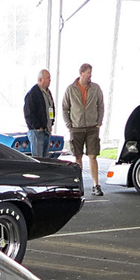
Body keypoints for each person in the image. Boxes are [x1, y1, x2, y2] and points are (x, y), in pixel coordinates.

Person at [61, 62, 105, 196]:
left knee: (93, 156)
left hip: (92, 127)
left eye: (91, 73)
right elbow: (65, 107)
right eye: (88, 73)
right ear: (81, 73)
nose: (90, 76)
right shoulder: (71, 89)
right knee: (78, 157)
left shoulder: (96, 88)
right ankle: (78, 184)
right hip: (76, 127)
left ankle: (95, 185)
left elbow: (100, 106)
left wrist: (98, 122)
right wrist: (69, 124)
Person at [23, 69, 55, 159]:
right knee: (38, 158)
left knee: (45, 158)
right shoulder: (32, 94)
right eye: (48, 78)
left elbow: (51, 108)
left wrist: (51, 122)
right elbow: (28, 113)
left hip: (46, 131)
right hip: (37, 132)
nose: (50, 80)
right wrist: (37, 126)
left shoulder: (48, 93)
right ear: (41, 80)